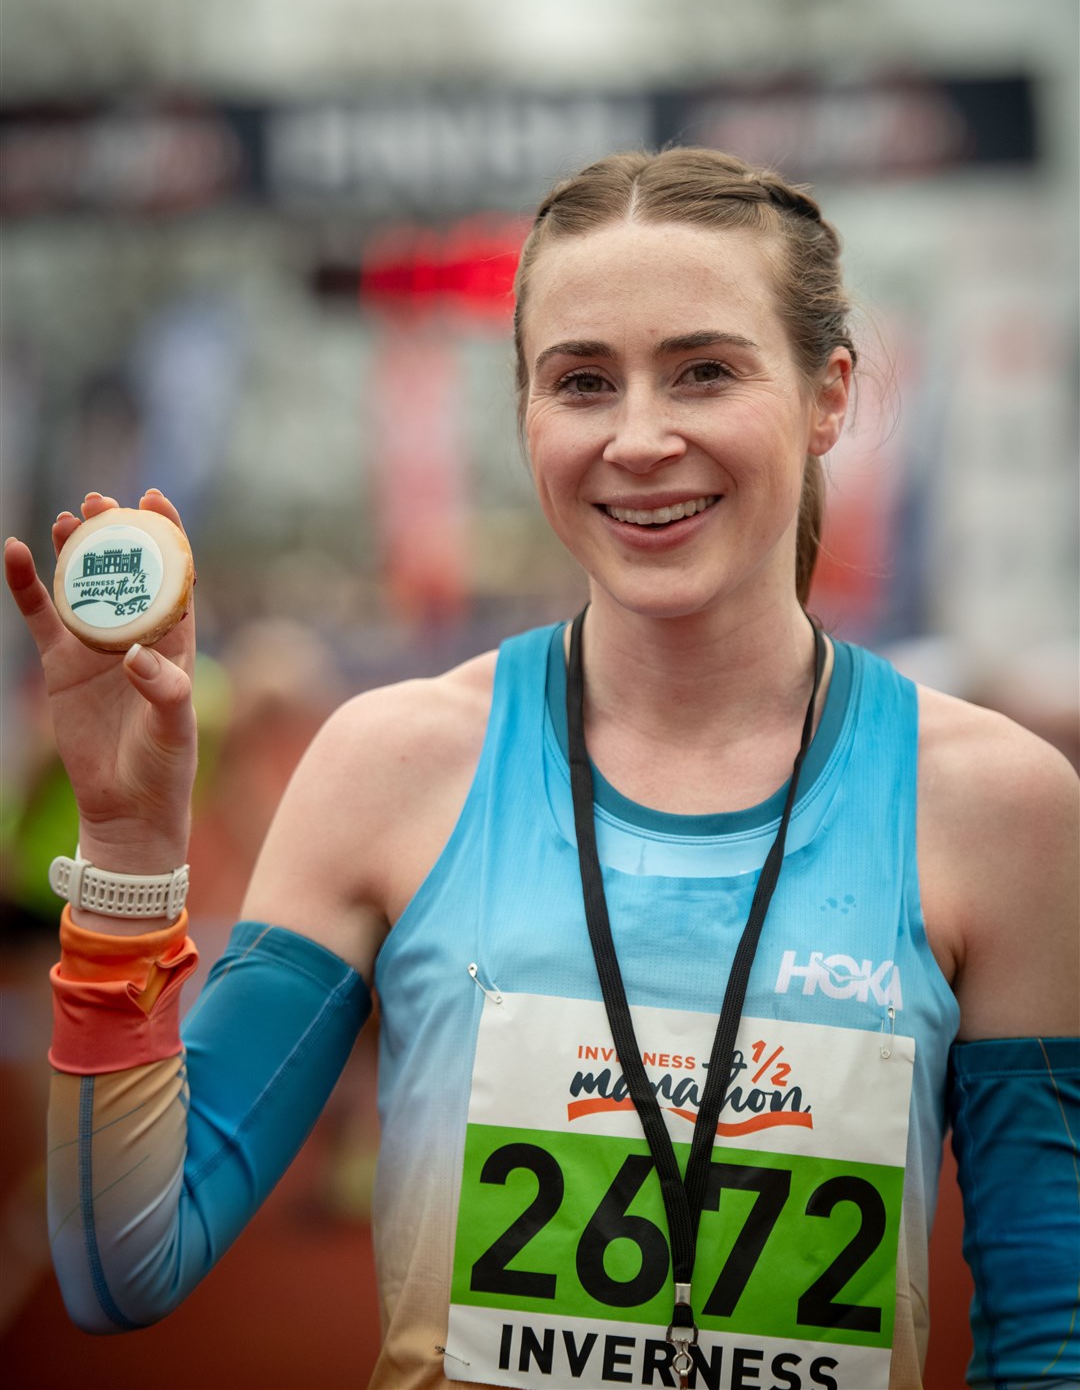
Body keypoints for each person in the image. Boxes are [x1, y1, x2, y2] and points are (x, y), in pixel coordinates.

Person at [4, 148, 1077, 1390]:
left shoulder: (1001, 808)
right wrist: (130, 847)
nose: (638, 437)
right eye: (581, 381)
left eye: (706, 371)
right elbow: (119, 1266)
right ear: (526, 413)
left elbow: (1050, 1337)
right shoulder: (392, 766)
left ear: (829, 392)